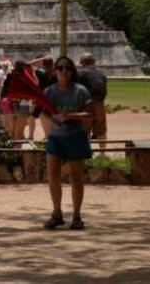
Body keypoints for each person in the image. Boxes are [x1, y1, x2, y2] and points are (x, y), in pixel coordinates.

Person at [43, 56, 93, 230]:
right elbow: (44, 113)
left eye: (67, 68)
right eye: (60, 68)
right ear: (54, 71)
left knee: (76, 178)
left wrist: (69, 116)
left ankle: (77, 216)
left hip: (75, 137)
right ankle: (57, 214)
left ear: (72, 72)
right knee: (53, 177)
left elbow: (89, 114)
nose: (64, 72)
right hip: (55, 137)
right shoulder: (49, 92)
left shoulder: (81, 91)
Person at [77, 54, 108, 149]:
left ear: (82, 63)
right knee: (101, 129)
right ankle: (103, 153)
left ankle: (86, 154)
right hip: (100, 103)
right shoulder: (101, 73)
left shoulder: (81, 73)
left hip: (86, 105)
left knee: (84, 130)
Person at [33, 57, 57, 138]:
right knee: (55, 130)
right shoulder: (57, 74)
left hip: (43, 103)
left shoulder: (40, 73)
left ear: (43, 64)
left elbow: (26, 65)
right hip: (56, 103)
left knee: (47, 132)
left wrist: (40, 59)